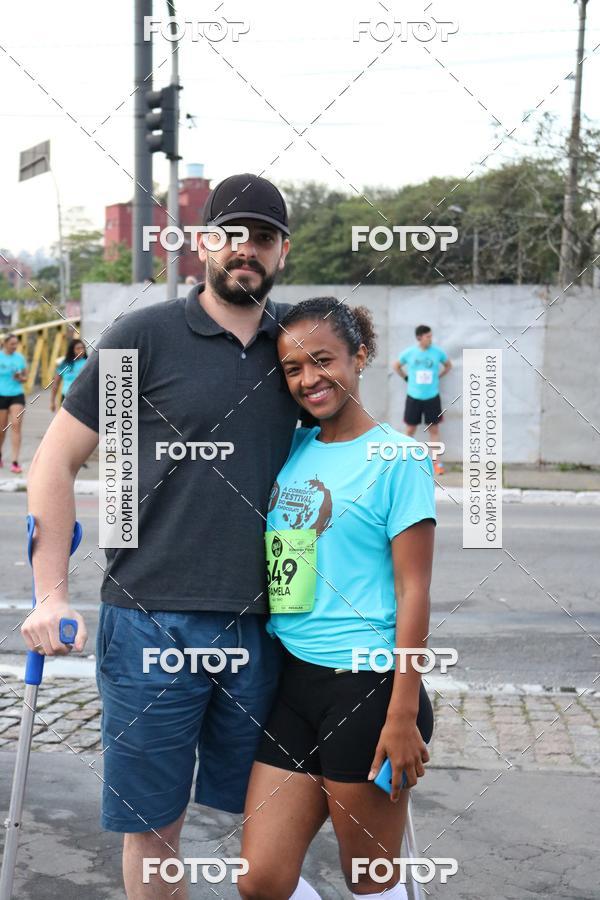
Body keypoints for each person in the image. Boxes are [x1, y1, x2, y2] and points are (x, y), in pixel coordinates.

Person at [25, 173, 302, 900]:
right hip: (150, 616)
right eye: (231, 235)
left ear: (282, 252)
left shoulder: (298, 351)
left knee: (269, 822)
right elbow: (55, 460)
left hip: (270, 626)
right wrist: (50, 593)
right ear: (203, 242)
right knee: (154, 826)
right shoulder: (143, 337)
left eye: (263, 238)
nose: (247, 251)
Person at [239, 298, 436, 900]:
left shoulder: (400, 460)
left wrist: (402, 715)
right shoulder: (295, 450)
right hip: (294, 684)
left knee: (370, 880)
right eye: (293, 370)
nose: (308, 380)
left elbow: (415, 589)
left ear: (361, 356)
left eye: (322, 361)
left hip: (369, 689)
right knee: (261, 880)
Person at [393, 325, 451, 475]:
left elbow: (448, 365)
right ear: (419, 338)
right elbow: (396, 365)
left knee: (434, 429)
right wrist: (406, 377)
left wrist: (438, 376)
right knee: (410, 429)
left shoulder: (437, 352)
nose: (430, 339)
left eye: (431, 336)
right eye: (428, 337)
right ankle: (402, 461)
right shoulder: (410, 353)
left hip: (432, 397)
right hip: (414, 397)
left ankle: (437, 463)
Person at [0, 333, 28, 473]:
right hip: (1, 395)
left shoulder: (20, 358)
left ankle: (15, 461)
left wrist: (20, 378)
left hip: (17, 394)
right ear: (4, 343)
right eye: (12, 344)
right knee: (1, 429)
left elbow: (25, 378)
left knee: (16, 425)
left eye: (16, 343)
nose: (14, 346)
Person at [50, 338, 88, 412]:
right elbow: (55, 383)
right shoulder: (64, 364)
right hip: (66, 397)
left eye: (82, 348)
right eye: (78, 348)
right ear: (72, 350)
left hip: (82, 398)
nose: (81, 351)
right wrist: (52, 401)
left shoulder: (88, 363)